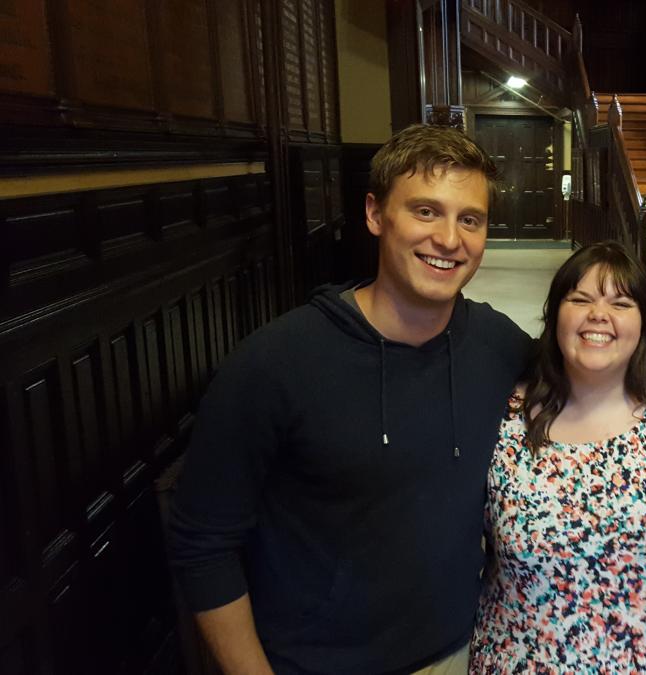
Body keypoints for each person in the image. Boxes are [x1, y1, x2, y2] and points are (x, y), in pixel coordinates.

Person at [166, 124, 531, 674]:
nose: (450, 239)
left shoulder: (498, 344)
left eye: (470, 219)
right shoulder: (275, 364)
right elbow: (202, 544)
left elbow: (591, 371)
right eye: (426, 211)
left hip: (463, 651)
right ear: (375, 214)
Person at [470, 242, 646, 673]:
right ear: (554, 318)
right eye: (580, 299)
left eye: (620, 303)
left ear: (644, 323)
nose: (598, 314)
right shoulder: (504, 416)